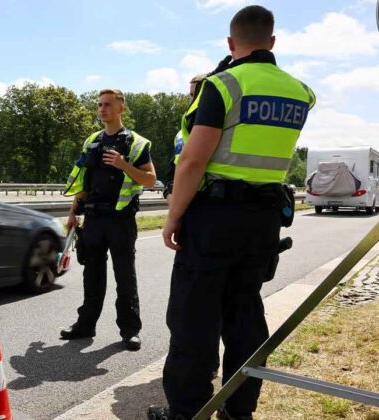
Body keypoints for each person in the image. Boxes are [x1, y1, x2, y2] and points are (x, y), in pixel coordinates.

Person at [148, 5, 316, 420]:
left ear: (230, 43)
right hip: (264, 219)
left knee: (194, 318)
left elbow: (192, 161)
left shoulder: (222, 85)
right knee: (245, 316)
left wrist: (172, 217)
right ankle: (239, 409)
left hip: (213, 219)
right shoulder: (301, 92)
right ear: (272, 41)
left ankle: (187, 411)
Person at [61, 88, 156, 351]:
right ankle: (85, 325)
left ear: (121, 108)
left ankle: (130, 331)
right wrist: (72, 212)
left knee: (125, 277)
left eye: (107, 105)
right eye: (100, 105)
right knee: (92, 275)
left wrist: (124, 165)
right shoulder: (92, 140)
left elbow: (150, 180)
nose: (102, 109)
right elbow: (83, 181)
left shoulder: (135, 142)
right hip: (92, 219)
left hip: (121, 221)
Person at [163, 74, 208, 204]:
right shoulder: (180, 135)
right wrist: (170, 196)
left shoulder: (221, 131)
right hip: (184, 208)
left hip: (210, 206)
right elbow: (172, 172)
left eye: (199, 95)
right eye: (191, 95)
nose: (194, 100)